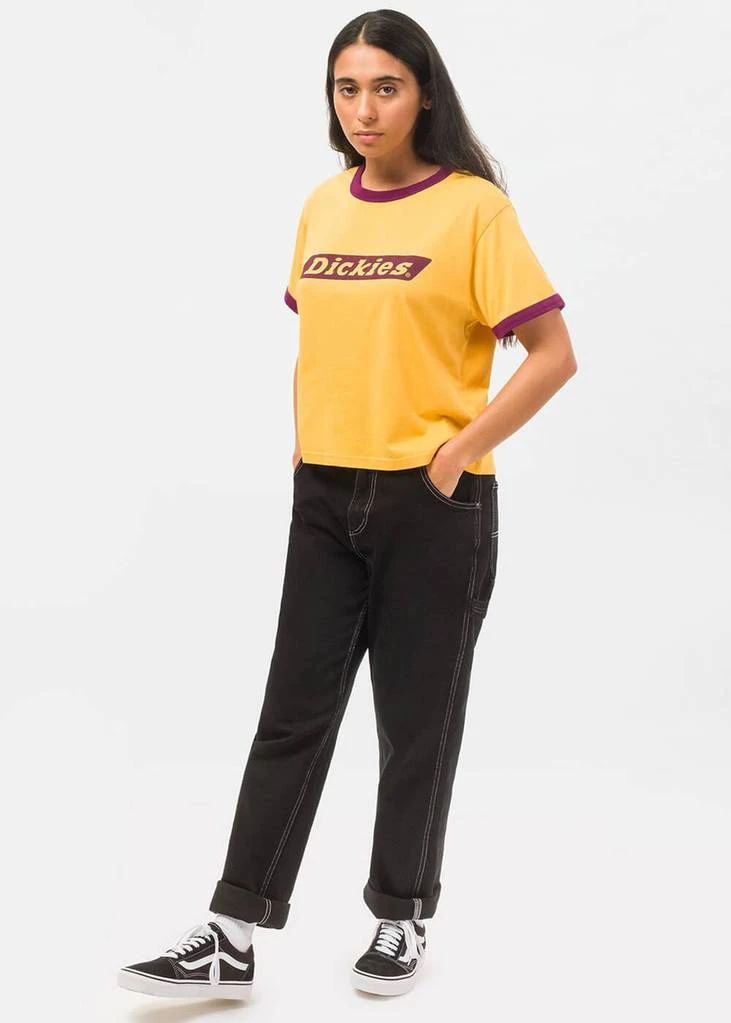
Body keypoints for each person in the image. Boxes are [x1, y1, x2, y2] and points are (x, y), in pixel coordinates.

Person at [117, 7, 577, 1002]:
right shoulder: (323, 206)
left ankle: (400, 916)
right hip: (325, 494)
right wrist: (304, 443)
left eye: (385, 88)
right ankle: (231, 932)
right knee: (291, 713)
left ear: (423, 95)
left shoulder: (472, 211)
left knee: (415, 723)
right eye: (347, 88)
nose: (364, 109)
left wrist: (454, 456)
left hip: (432, 503)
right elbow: (318, 342)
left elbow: (552, 356)